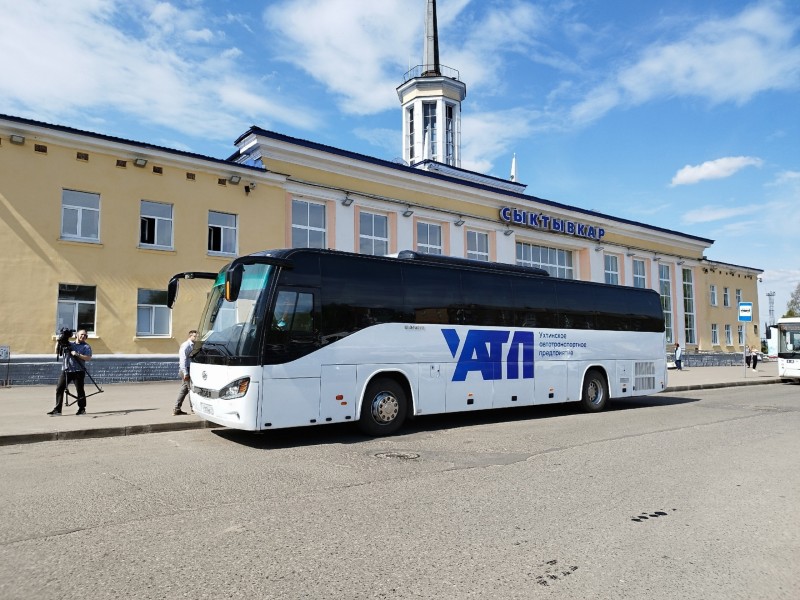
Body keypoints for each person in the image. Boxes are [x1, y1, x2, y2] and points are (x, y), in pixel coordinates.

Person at [48, 329, 92, 416]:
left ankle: (82, 409)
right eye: (82, 334)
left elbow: (88, 358)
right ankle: (57, 410)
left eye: (85, 335)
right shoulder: (69, 344)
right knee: (59, 388)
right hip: (66, 370)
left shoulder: (86, 347)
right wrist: (59, 341)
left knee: (80, 390)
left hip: (78, 371)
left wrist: (77, 354)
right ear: (76, 335)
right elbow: (57, 351)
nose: (83, 336)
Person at [174, 330, 197, 415]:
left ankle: (177, 409)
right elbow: (182, 360)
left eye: (196, 336)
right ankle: (193, 409)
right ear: (190, 336)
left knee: (184, 389)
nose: (196, 337)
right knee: (190, 389)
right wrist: (186, 373)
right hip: (185, 370)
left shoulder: (193, 345)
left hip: (188, 369)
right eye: (194, 336)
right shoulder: (186, 345)